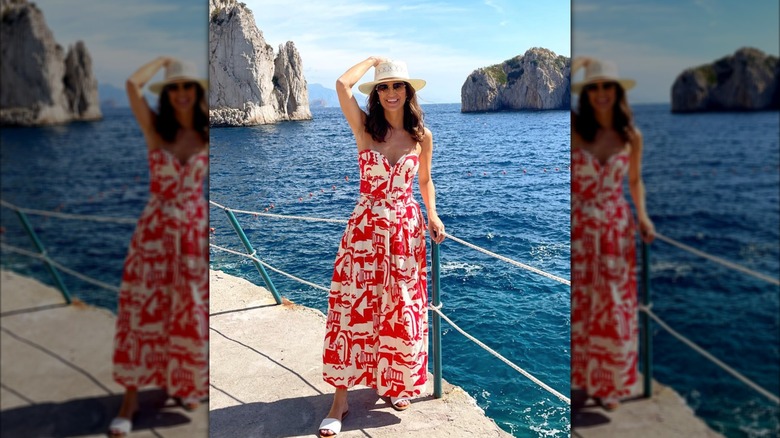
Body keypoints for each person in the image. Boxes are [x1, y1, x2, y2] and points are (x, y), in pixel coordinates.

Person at [318, 57, 446, 438]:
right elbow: (342, 85)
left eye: (397, 85)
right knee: (350, 312)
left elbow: (425, 181)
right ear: (376, 93)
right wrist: (373, 61)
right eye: (383, 86)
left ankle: (395, 383)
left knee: (400, 310)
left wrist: (432, 214)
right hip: (364, 233)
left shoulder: (422, 136)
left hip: (405, 234)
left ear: (408, 91)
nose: (391, 93)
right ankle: (339, 403)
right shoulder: (364, 128)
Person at [109, 57, 209, 436]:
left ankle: (184, 382)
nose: (181, 93)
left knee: (189, 312)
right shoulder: (155, 129)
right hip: (154, 233)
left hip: (193, 234)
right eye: (174, 87)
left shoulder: (205, 132)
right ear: (167, 94)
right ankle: (129, 401)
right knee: (141, 312)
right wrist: (163, 62)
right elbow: (132, 86)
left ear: (196, 92)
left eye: (187, 86)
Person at [570, 57, 655, 412]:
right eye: (594, 87)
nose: (601, 93)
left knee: (614, 305)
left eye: (607, 86)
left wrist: (643, 218)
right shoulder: (575, 129)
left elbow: (634, 181)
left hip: (616, 229)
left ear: (617, 92)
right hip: (580, 228)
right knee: (582, 303)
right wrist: (576, 66)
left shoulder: (631, 137)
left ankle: (609, 385)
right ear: (587, 93)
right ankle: (581, 381)